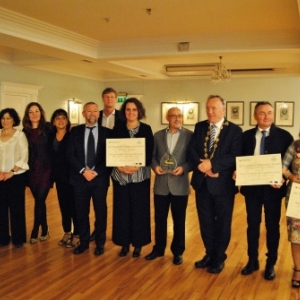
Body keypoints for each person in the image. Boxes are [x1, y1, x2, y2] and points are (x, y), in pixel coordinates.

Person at [187, 95, 242, 274]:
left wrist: (213, 165)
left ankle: (219, 257)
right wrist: (203, 166)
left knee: (223, 223)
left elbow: (234, 156)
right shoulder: (200, 126)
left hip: (223, 185)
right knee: (206, 222)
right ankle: (209, 254)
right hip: (202, 183)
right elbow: (192, 150)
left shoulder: (234, 130)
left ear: (223, 110)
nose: (210, 111)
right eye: (208, 108)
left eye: (214, 108)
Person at [238, 101, 293, 280]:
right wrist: (236, 171)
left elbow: (290, 165)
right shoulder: (245, 136)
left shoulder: (285, 136)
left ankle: (271, 263)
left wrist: (283, 178)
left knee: (272, 227)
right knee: (252, 225)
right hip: (251, 190)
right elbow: (239, 160)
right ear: (255, 116)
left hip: (273, 191)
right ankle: (252, 260)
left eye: (269, 112)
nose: (266, 116)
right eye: (262, 113)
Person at [145, 107, 193, 265]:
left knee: (179, 221)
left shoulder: (189, 136)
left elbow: (193, 159)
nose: (177, 119)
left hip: (180, 185)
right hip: (161, 185)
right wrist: (155, 167)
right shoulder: (158, 135)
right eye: (174, 116)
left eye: (180, 116)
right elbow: (151, 157)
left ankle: (178, 252)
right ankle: (159, 248)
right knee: (160, 219)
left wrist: (184, 168)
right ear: (167, 117)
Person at [111, 98, 154, 258]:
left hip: (140, 177)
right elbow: (112, 149)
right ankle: (124, 244)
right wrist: (118, 165)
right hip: (120, 176)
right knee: (122, 211)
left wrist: (138, 165)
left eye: (134, 110)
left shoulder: (146, 129)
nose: (131, 112)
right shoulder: (117, 128)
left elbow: (150, 152)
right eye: (128, 109)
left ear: (139, 111)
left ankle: (138, 244)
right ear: (124, 112)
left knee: (139, 211)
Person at [67, 102, 111, 255]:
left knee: (100, 212)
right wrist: (82, 170)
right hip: (80, 179)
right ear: (83, 114)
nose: (92, 114)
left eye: (94, 111)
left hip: (99, 179)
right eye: (88, 111)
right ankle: (84, 242)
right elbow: (70, 154)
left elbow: (109, 157)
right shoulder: (75, 131)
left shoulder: (107, 133)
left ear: (98, 114)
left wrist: (96, 172)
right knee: (81, 211)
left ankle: (100, 243)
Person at [90, 87, 122, 242]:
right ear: (103, 99)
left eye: (112, 97)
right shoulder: (97, 115)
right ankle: (98, 230)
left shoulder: (122, 117)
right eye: (106, 97)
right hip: (99, 162)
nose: (109, 99)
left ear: (115, 99)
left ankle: (119, 232)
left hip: (117, 161)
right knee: (99, 199)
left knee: (119, 198)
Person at [23, 102, 53, 244]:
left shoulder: (48, 128)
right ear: (27, 115)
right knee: (39, 201)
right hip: (31, 171)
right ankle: (45, 228)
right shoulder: (25, 132)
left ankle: (36, 229)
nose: (34, 114)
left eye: (37, 111)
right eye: (31, 112)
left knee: (40, 199)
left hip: (46, 169)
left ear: (41, 112)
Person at [0, 108, 29, 248]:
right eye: (3, 118)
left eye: (8, 118)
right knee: (1, 208)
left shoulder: (20, 135)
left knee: (16, 208)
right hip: (0, 177)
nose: (5, 121)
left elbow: (24, 156)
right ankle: (3, 238)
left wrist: (11, 171)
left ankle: (18, 238)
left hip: (16, 176)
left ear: (14, 120)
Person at [50, 109, 78, 248]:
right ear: (54, 121)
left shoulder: (72, 135)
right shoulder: (51, 136)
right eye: (57, 118)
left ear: (67, 121)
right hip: (59, 178)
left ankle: (77, 233)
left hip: (72, 177)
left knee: (75, 206)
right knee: (64, 206)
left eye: (63, 118)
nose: (60, 121)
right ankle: (67, 232)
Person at [282, 138, 300, 287]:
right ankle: (298, 270)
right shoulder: (295, 146)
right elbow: (282, 167)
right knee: (296, 235)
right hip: (296, 196)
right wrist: (291, 177)